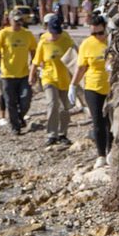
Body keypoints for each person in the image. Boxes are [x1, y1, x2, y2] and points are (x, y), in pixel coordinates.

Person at [72, 13, 113, 166]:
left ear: (105, 29)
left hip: (111, 87)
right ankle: (100, 155)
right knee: (98, 121)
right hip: (93, 87)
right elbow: (81, 67)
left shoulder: (112, 41)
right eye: (93, 33)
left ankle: (110, 151)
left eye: (100, 33)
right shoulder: (86, 44)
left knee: (110, 121)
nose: (97, 36)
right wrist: (73, 85)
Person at [0, 7, 38, 135]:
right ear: (10, 20)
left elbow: (34, 52)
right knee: (10, 101)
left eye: (20, 21)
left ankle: (20, 116)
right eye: (15, 21)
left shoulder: (27, 34)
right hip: (7, 74)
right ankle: (15, 126)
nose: (18, 23)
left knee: (26, 99)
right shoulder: (3, 34)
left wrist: (36, 68)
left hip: (23, 73)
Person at [30, 13, 76, 146]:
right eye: (53, 32)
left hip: (64, 79)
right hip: (49, 77)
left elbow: (74, 56)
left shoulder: (66, 39)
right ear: (48, 29)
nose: (56, 35)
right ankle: (52, 134)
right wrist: (31, 75)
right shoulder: (43, 41)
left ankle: (63, 134)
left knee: (65, 108)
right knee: (52, 104)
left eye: (58, 32)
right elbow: (36, 61)